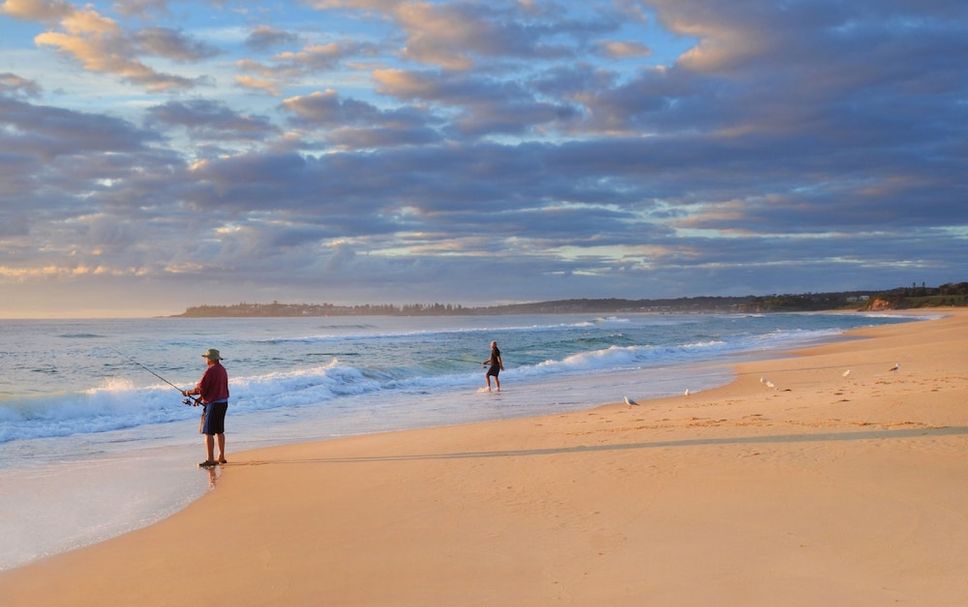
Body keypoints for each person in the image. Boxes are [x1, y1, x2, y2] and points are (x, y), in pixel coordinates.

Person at [183, 348, 229, 468]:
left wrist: (188, 392)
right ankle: (221, 456)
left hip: (213, 404)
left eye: (206, 358)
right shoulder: (222, 370)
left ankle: (210, 459)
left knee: (208, 432)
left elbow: (200, 388)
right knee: (220, 431)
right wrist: (201, 398)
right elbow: (215, 388)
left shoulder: (210, 371)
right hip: (223, 403)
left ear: (211, 359)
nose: (205, 359)